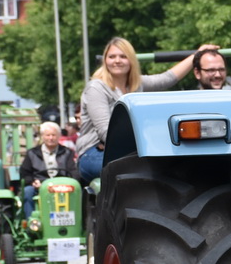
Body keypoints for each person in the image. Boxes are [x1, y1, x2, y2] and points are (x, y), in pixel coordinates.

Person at [77, 38, 204, 181]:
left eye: (123, 56)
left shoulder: (137, 85)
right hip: (94, 152)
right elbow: (106, 133)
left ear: (131, 60)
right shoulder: (97, 87)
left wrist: (197, 55)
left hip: (129, 151)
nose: (117, 60)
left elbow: (167, 79)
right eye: (111, 57)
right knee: (143, 169)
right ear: (105, 60)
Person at [17, 122, 77, 215]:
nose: (51, 138)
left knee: (78, 192)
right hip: (40, 185)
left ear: (59, 136)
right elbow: (25, 173)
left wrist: (68, 183)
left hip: (62, 186)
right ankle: (32, 222)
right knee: (27, 192)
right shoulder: (32, 153)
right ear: (42, 136)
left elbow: (73, 171)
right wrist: (33, 182)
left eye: (53, 135)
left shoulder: (67, 152)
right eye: (48, 135)